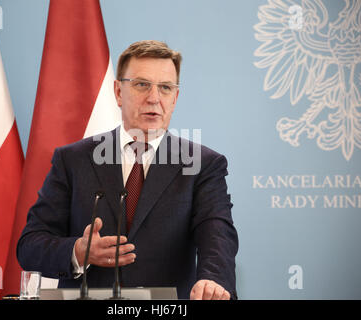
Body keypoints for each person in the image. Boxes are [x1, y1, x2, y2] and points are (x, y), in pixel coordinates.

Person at [17, 40, 238, 300]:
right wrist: (78, 250)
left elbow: (217, 235)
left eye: (165, 88)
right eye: (142, 85)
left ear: (175, 98)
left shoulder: (203, 164)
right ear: (119, 92)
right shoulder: (73, 160)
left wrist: (212, 280)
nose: (154, 98)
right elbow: (30, 245)